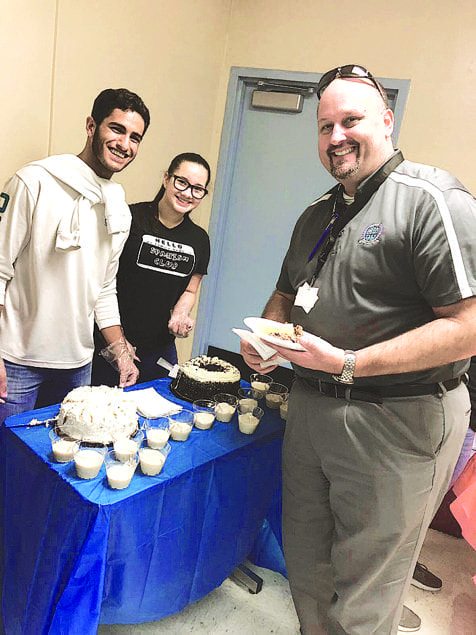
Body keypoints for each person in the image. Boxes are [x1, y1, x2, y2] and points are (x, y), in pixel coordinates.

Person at [240, 64, 476, 634]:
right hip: (312, 410)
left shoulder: (431, 199)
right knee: (309, 566)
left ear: (387, 121)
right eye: (325, 127)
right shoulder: (316, 214)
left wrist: (350, 364)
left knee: (368, 588)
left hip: (398, 419)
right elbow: (284, 291)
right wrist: (265, 339)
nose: (336, 137)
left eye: (352, 121)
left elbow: (469, 323)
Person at [0, 88, 150, 423]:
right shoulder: (33, 181)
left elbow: (103, 289)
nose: (125, 144)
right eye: (117, 129)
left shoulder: (118, 208)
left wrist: (122, 352)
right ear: (91, 126)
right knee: (7, 465)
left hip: (77, 367)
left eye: (135, 137)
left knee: (59, 465)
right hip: (16, 361)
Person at [91, 152, 211, 386]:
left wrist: (181, 314)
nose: (188, 193)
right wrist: (117, 344)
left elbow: (190, 290)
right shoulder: (130, 218)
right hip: (111, 344)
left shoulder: (199, 239)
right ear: (166, 179)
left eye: (198, 188)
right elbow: (100, 281)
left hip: (160, 350)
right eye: (182, 182)